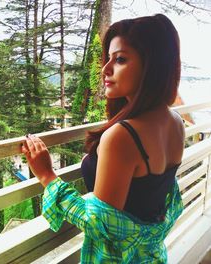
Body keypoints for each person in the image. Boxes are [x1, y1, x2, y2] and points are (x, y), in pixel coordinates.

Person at [21, 14, 185, 263]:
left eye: (119, 59)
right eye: (108, 59)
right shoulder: (175, 122)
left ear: (152, 66)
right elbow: (160, 196)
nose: (105, 69)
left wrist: (47, 176)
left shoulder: (123, 136)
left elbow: (98, 224)